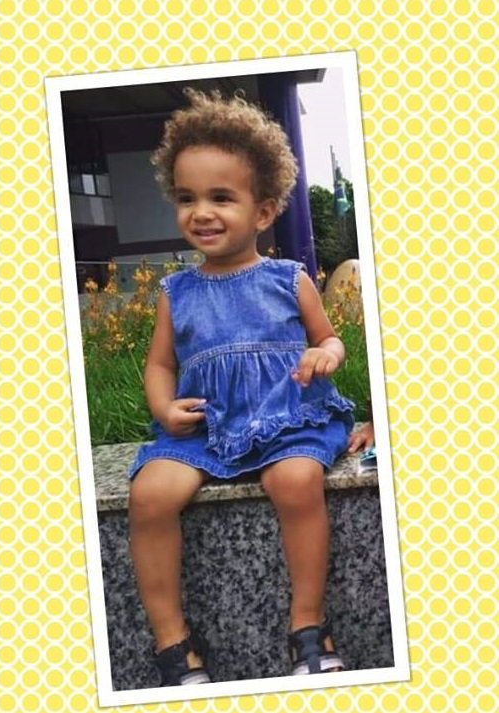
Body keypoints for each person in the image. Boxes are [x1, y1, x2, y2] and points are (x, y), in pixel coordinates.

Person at [127, 89, 355, 687]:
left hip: (285, 418)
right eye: (187, 198)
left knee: (296, 480)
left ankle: (308, 624)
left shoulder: (288, 279)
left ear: (263, 211)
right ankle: (173, 644)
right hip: (207, 428)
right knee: (149, 494)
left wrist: (323, 355)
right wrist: (163, 407)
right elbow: (159, 365)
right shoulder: (176, 292)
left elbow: (330, 339)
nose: (201, 212)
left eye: (221, 198)